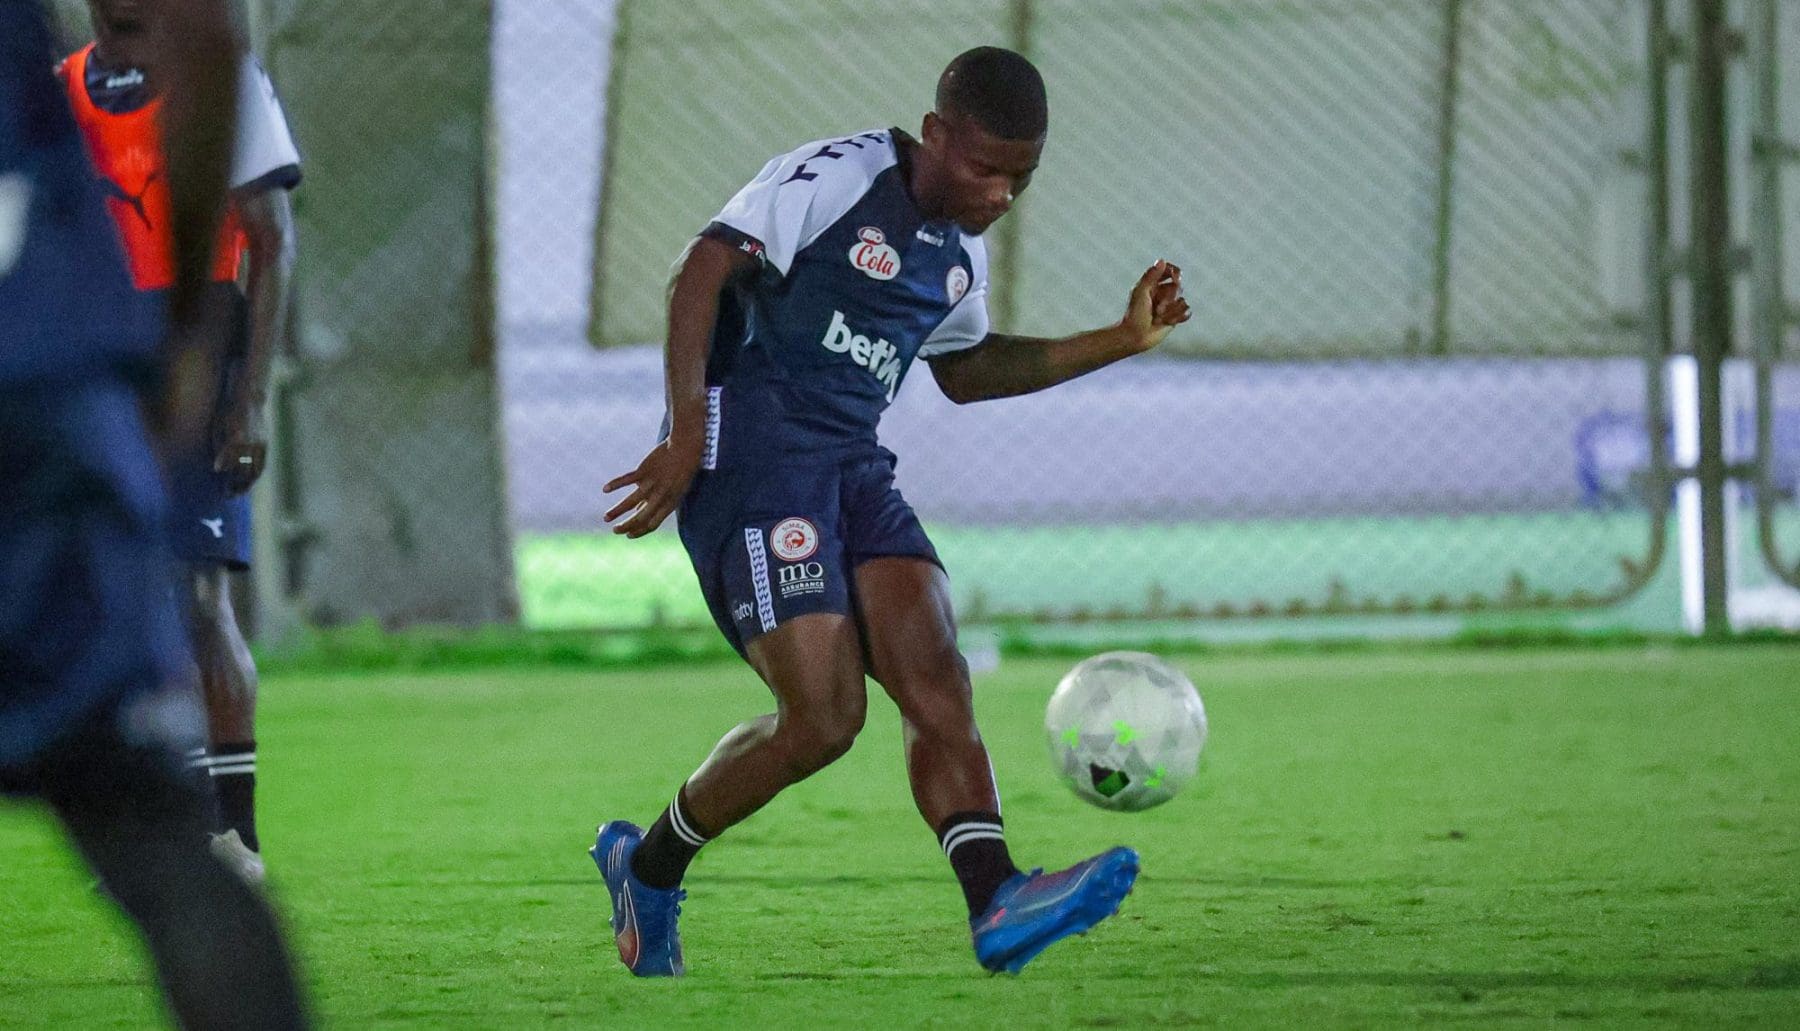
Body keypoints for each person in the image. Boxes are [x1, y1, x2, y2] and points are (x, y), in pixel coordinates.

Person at [592, 46, 1191, 976]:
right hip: (754, 458)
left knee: (935, 670)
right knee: (824, 721)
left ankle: (997, 901)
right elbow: (703, 268)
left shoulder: (957, 256)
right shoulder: (841, 175)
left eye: (1021, 176)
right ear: (938, 134)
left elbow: (965, 369)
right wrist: (684, 431)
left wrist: (1121, 338)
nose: (999, 193)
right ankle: (651, 865)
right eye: (984, 166)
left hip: (853, 467)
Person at [0, 0, 306, 1025]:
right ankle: (203, 831)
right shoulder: (68, 74)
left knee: (199, 602)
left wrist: (225, 373)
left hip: (83, 370)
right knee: (144, 824)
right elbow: (211, 31)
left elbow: (267, 222)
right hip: (53, 377)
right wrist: (167, 338)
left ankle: (238, 824)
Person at [60, 0, 302, 883]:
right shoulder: (60, 91)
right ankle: (158, 824)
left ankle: (234, 836)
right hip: (98, 367)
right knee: (116, 597)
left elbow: (272, 241)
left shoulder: (220, 78)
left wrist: (249, 399)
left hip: (200, 356)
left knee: (200, 602)